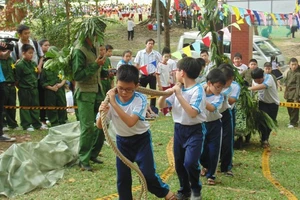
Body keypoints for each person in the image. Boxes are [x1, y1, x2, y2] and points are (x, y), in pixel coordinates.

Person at [97, 65, 176, 200]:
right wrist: (102, 111)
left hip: (141, 141)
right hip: (122, 142)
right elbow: (100, 125)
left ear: (137, 86)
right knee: (123, 178)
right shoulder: (109, 100)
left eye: (129, 89)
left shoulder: (140, 99)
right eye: (121, 88)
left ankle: (167, 194)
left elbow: (130, 122)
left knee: (148, 175)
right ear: (116, 83)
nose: (123, 92)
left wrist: (114, 104)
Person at [158, 57, 206, 200]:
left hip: (195, 131)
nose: (175, 72)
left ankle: (196, 189)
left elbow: (192, 113)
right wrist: (167, 93)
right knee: (179, 164)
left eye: (177, 70)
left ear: (183, 72)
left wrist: (178, 94)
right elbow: (162, 105)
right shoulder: (178, 88)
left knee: (190, 163)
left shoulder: (198, 90)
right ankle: (185, 190)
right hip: (179, 130)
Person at [72, 36, 106, 171]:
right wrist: (95, 65)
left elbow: (97, 70)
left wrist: (105, 71)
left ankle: (92, 153)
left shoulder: (96, 46)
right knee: (87, 127)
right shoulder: (79, 50)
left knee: (103, 122)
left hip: (98, 90)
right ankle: (83, 159)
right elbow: (77, 75)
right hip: (85, 92)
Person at [200, 68, 226, 186]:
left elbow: (211, 108)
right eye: (217, 87)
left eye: (221, 87)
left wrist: (199, 97)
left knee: (214, 150)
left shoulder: (220, 96)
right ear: (209, 83)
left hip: (215, 125)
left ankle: (211, 174)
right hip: (201, 124)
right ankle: (205, 166)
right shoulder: (199, 89)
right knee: (201, 150)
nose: (220, 90)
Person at [15, 44, 48, 131]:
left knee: (35, 107)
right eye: (29, 53)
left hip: (34, 89)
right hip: (24, 89)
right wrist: (22, 88)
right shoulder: (19, 65)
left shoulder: (33, 64)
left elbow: (35, 75)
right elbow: (17, 80)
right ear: (23, 53)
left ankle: (36, 124)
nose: (31, 55)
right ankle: (26, 125)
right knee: (25, 107)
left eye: (32, 53)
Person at [249, 68, 279, 148]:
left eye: (259, 80)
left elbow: (263, 86)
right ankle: (264, 139)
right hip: (262, 103)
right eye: (256, 81)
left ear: (262, 76)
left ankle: (266, 138)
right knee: (263, 122)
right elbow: (253, 90)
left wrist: (248, 89)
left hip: (273, 103)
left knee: (270, 122)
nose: (257, 82)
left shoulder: (269, 78)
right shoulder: (254, 81)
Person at [40, 47, 67, 127]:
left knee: (62, 105)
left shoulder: (60, 66)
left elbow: (65, 76)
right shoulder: (45, 68)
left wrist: (61, 84)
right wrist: (51, 88)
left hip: (60, 89)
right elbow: (42, 82)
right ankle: (54, 122)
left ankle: (62, 121)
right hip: (50, 91)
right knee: (51, 107)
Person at [217, 64, 236, 176]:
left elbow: (232, 101)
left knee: (227, 141)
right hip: (212, 117)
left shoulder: (234, 86)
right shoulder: (208, 86)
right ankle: (207, 166)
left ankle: (226, 167)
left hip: (225, 114)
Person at [134, 38, 162, 107]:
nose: (150, 45)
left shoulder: (156, 54)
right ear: (146, 44)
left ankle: (153, 107)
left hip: (152, 75)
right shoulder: (140, 53)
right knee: (140, 91)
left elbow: (161, 63)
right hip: (143, 75)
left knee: (153, 92)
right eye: (149, 43)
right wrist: (136, 76)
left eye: (152, 44)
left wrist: (157, 71)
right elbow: (136, 64)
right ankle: (140, 105)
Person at [0, 42, 19, 131]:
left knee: (12, 105)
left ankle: (12, 124)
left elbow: (14, 71)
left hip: (11, 85)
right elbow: (3, 55)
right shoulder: (1, 59)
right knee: (2, 106)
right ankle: (3, 124)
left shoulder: (11, 60)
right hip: (3, 84)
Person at [284, 57, 300, 128]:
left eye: (295, 64)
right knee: (289, 107)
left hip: (295, 93)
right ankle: (292, 121)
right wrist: (285, 93)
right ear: (289, 65)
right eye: (292, 64)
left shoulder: (298, 74)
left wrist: (296, 97)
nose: (294, 66)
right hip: (289, 93)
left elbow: (298, 86)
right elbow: (287, 83)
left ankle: (294, 122)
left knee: (294, 109)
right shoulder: (289, 72)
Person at [38, 39, 50, 126]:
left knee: (47, 100)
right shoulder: (38, 58)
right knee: (41, 100)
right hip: (39, 81)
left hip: (48, 82)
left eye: (48, 45)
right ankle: (42, 119)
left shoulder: (50, 57)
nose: (47, 47)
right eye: (45, 45)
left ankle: (47, 118)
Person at [156, 50, 172, 116]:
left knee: (167, 96)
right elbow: (157, 74)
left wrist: (169, 80)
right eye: (165, 57)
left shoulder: (168, 65)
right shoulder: (160, 65)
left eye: (168, 57)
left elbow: (168, 73)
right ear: (162, 57)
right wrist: (159, 84)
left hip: (167, 83)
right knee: (163, 96)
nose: (166, 58)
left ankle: (163, 109)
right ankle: (165, 111)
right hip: (162, 83)